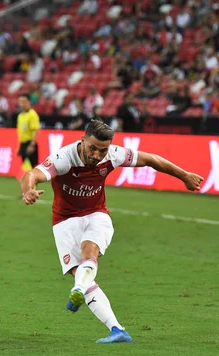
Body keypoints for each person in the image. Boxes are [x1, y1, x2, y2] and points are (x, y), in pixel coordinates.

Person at [19, 120, 204, 344]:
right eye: (92, 148)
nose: (97, 155)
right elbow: (32, 174)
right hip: (64, 221)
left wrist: (184, 175)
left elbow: (151, 160)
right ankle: (117, 330)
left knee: (90, 251)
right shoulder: (64, 158)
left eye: (102, 150)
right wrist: (28, 190)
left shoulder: (114, 155)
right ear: (82, 141)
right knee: (79, 271)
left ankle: (79, 286)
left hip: (96, 214)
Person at [16, 94, 41, 167]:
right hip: (23, 143)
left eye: (24, 101)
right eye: (20, 101)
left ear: (29, 102)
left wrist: (32, 145)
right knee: (25, 167)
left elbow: (35, 130)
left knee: (33, 167)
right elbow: (21, 132)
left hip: (30, 143)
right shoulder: (20, 115)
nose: (21, 104)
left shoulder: (32, 114)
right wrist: (19, 146)